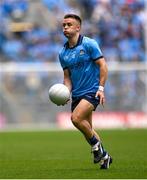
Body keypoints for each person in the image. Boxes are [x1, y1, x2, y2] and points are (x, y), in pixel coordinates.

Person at [59, 14, 112, 169]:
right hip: (77, 94)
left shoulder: (89, 44)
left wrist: (101, 88)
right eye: (63, 25)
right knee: (87, 128)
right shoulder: (62, 53)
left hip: (92, 91)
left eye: (69, 24)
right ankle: (105, 157)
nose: (65, 28)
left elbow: (103, 66)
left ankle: (97, 148)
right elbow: (67, 78)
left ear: (78, 27)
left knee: (75, 118)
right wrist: (66, 92)